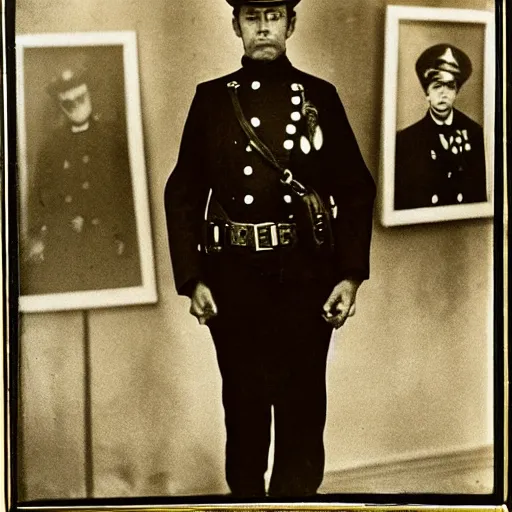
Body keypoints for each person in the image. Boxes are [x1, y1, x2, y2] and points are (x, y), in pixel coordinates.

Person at [164, 0, 375, 498]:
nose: (263, 27)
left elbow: (356, 188)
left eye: (273, 15)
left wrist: (349, 274)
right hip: (233, 283)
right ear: (236, 25)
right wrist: (192, 278)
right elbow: (183, 193)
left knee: (302, 419)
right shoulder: (212, 99)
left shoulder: (319, 96)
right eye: (252, 16)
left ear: (291, 24)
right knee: (244, 415)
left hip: (306, 280)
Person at [22, 62, 141, 295]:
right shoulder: (51, 146)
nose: (76, 106)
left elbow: (128, 191)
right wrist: (37, 237)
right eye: (68, 102)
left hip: (107, 241)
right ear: (61, 106)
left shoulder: (113, 138)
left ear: (89, 95)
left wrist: (125, 235)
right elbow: (38, 196)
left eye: (81, 97)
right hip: (65, 244)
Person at [394, 44, 487, 210]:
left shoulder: (476, 134)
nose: (443, 93)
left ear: (457, 91)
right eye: (437, 86)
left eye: (450, 86)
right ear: (427, 92)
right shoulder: (406, 140)